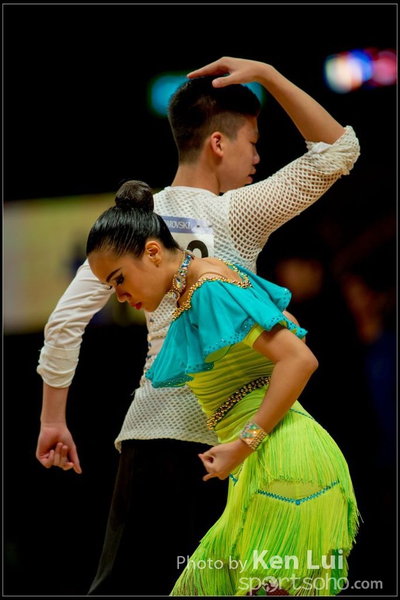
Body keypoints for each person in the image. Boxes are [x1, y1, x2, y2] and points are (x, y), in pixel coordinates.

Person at [35, 56, 361, 595]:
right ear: (218, 143)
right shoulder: (241, 212)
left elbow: (66, 323)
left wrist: (53, 418)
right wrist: (270, 75)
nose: (257, 157)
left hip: (162, 433)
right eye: (252, 142)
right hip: (241, 446)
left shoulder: (132, 226)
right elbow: (340, 150)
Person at [86, 180, 360, 597]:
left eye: (119, 278)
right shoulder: (206, 282)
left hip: (286, 464)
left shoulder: (208, 287)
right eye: (112, 287)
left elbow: (300, 359)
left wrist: (244, 444)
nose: (120, 296)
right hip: (264, 467)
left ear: (153, 252)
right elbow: (290, 326)